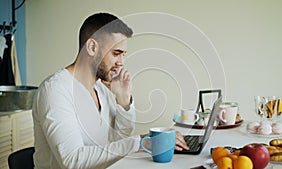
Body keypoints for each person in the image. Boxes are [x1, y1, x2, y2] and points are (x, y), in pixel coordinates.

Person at [32, 12, 189, 169]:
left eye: (123, 55)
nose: (121, 63)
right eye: (116, 53)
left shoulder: (101, 88)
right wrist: (141, 141)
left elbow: (118, 140)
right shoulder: (55, 90)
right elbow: (73, 161)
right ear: (92, 47)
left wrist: (124, 101)